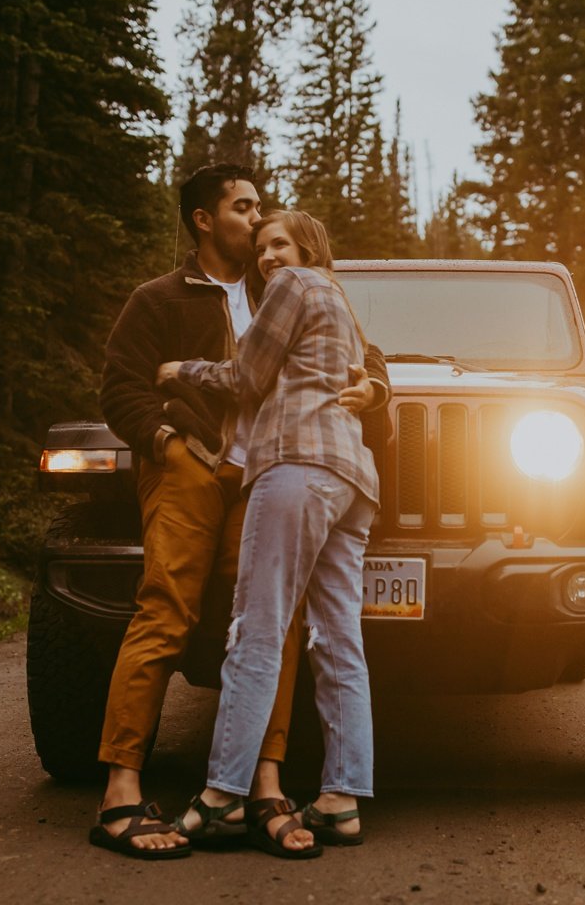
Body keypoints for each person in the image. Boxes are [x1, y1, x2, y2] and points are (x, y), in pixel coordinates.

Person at [89, 167, 385, 861]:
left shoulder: (278, 286)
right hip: (195, 471)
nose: (258, 224)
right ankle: (121, 790)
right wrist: (166, 443)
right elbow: (120, 387)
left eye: (266, 217)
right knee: (167, 610)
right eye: (245, 209)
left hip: (273, 475)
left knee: (274, 628)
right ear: (203, 218)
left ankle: (264, 787)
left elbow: (361, 356)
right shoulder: (161, 297)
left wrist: (374, 388)